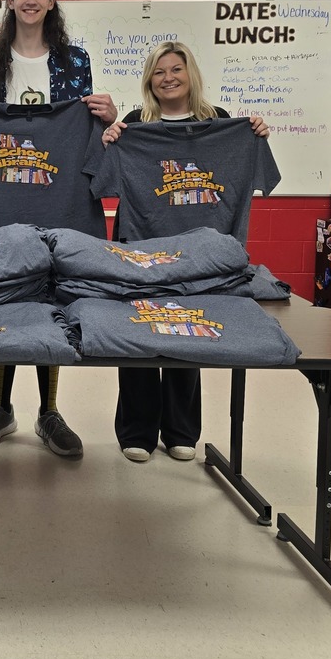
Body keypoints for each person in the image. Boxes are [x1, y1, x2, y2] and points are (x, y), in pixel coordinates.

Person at [0, 0, 117, 458]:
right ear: (11, 0)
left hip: (57, 193)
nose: (32, 0)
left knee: (51, 295)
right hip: (1, 195)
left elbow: (85, 127)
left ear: (52, 1)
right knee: (4, 293)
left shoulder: (74, 60)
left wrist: (110, 114)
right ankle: (1, 407)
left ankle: (48, 411)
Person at [102, 41, 269, 463]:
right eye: (159, 72)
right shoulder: (135, 124)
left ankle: (181, 430)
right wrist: (109, 141)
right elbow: (102, 181)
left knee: (188, 329)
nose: (168, 78)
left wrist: (255, 135)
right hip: (143, 244)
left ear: (190, 74)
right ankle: (136, 431)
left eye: (176, 69)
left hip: (200, 252)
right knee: (139, 329)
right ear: (149, 80)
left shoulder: (222, 123)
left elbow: (254, 174)